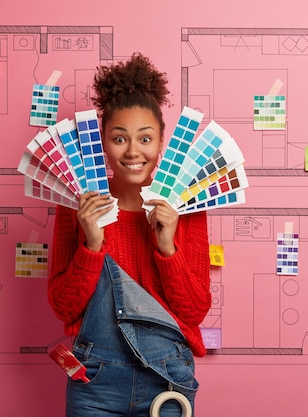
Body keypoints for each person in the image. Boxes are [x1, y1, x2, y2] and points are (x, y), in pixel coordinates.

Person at [48, 53, 211, 417]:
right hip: (96, 380)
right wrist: (91, 245)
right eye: (119, 138)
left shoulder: (186, 208)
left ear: (161, 142)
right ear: (103, 142)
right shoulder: (76, 204)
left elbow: (195, 311)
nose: (134, 151)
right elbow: (63, 306)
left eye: (145, 138)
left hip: (167, 376)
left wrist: (167, 247)